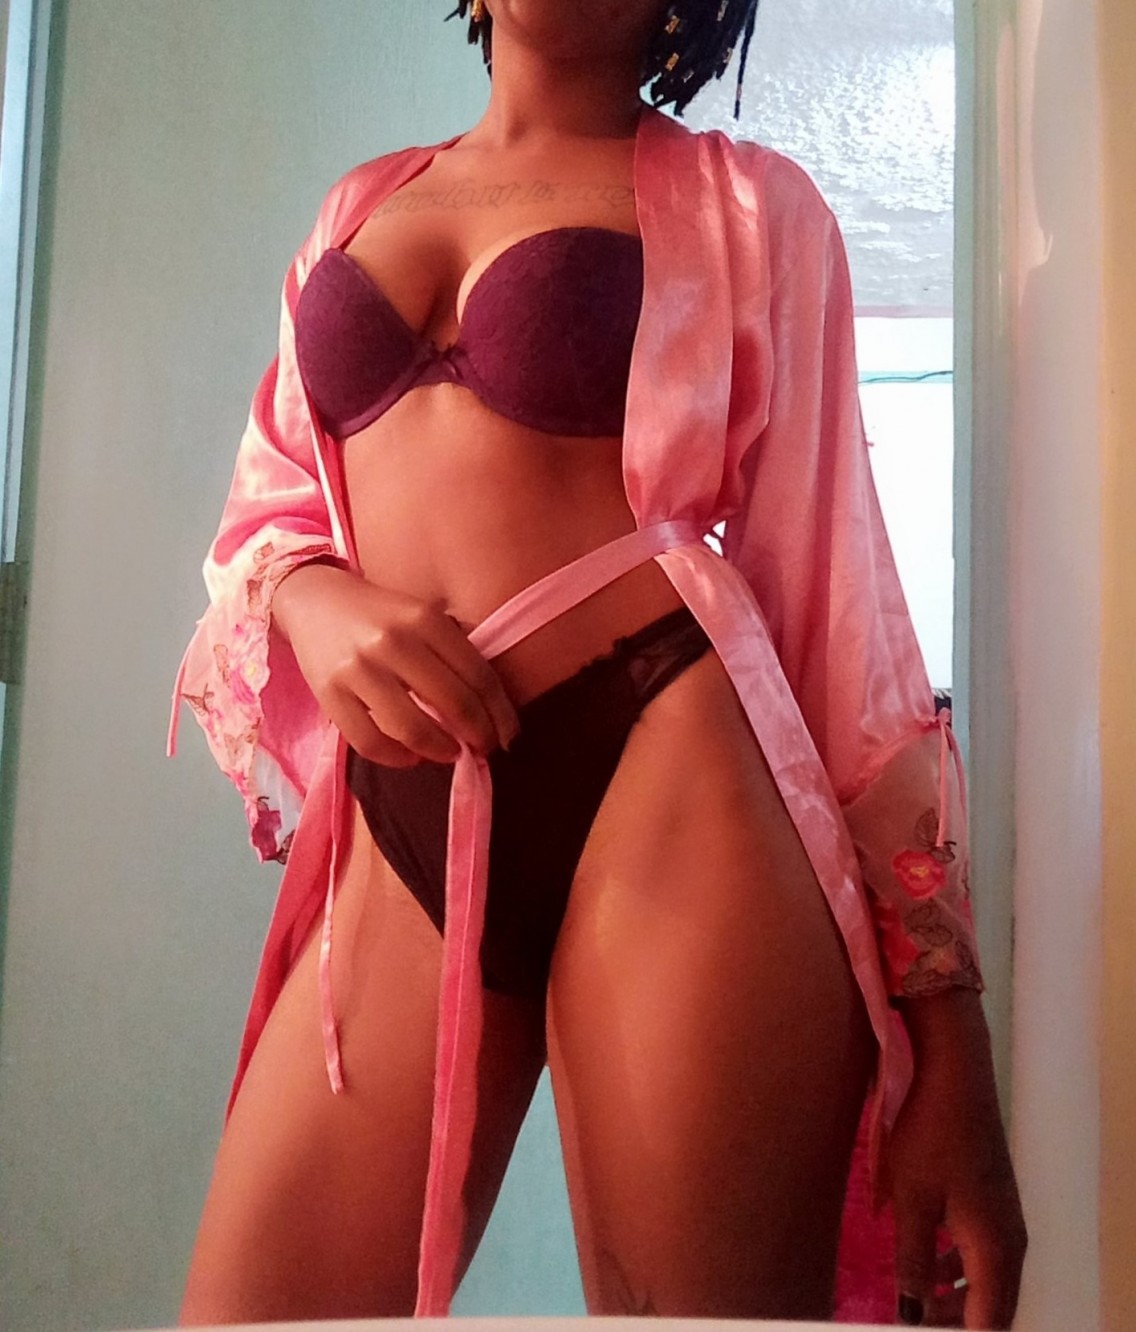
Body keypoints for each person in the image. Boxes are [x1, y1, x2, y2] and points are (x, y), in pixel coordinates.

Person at [167, 1, 1026, 1325]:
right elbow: (266, 512)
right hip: (409, 802)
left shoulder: (754, 208)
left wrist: (951, 1041)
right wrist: (312, 597)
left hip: (667, 760)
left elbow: (841, 610)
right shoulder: (356, 207)